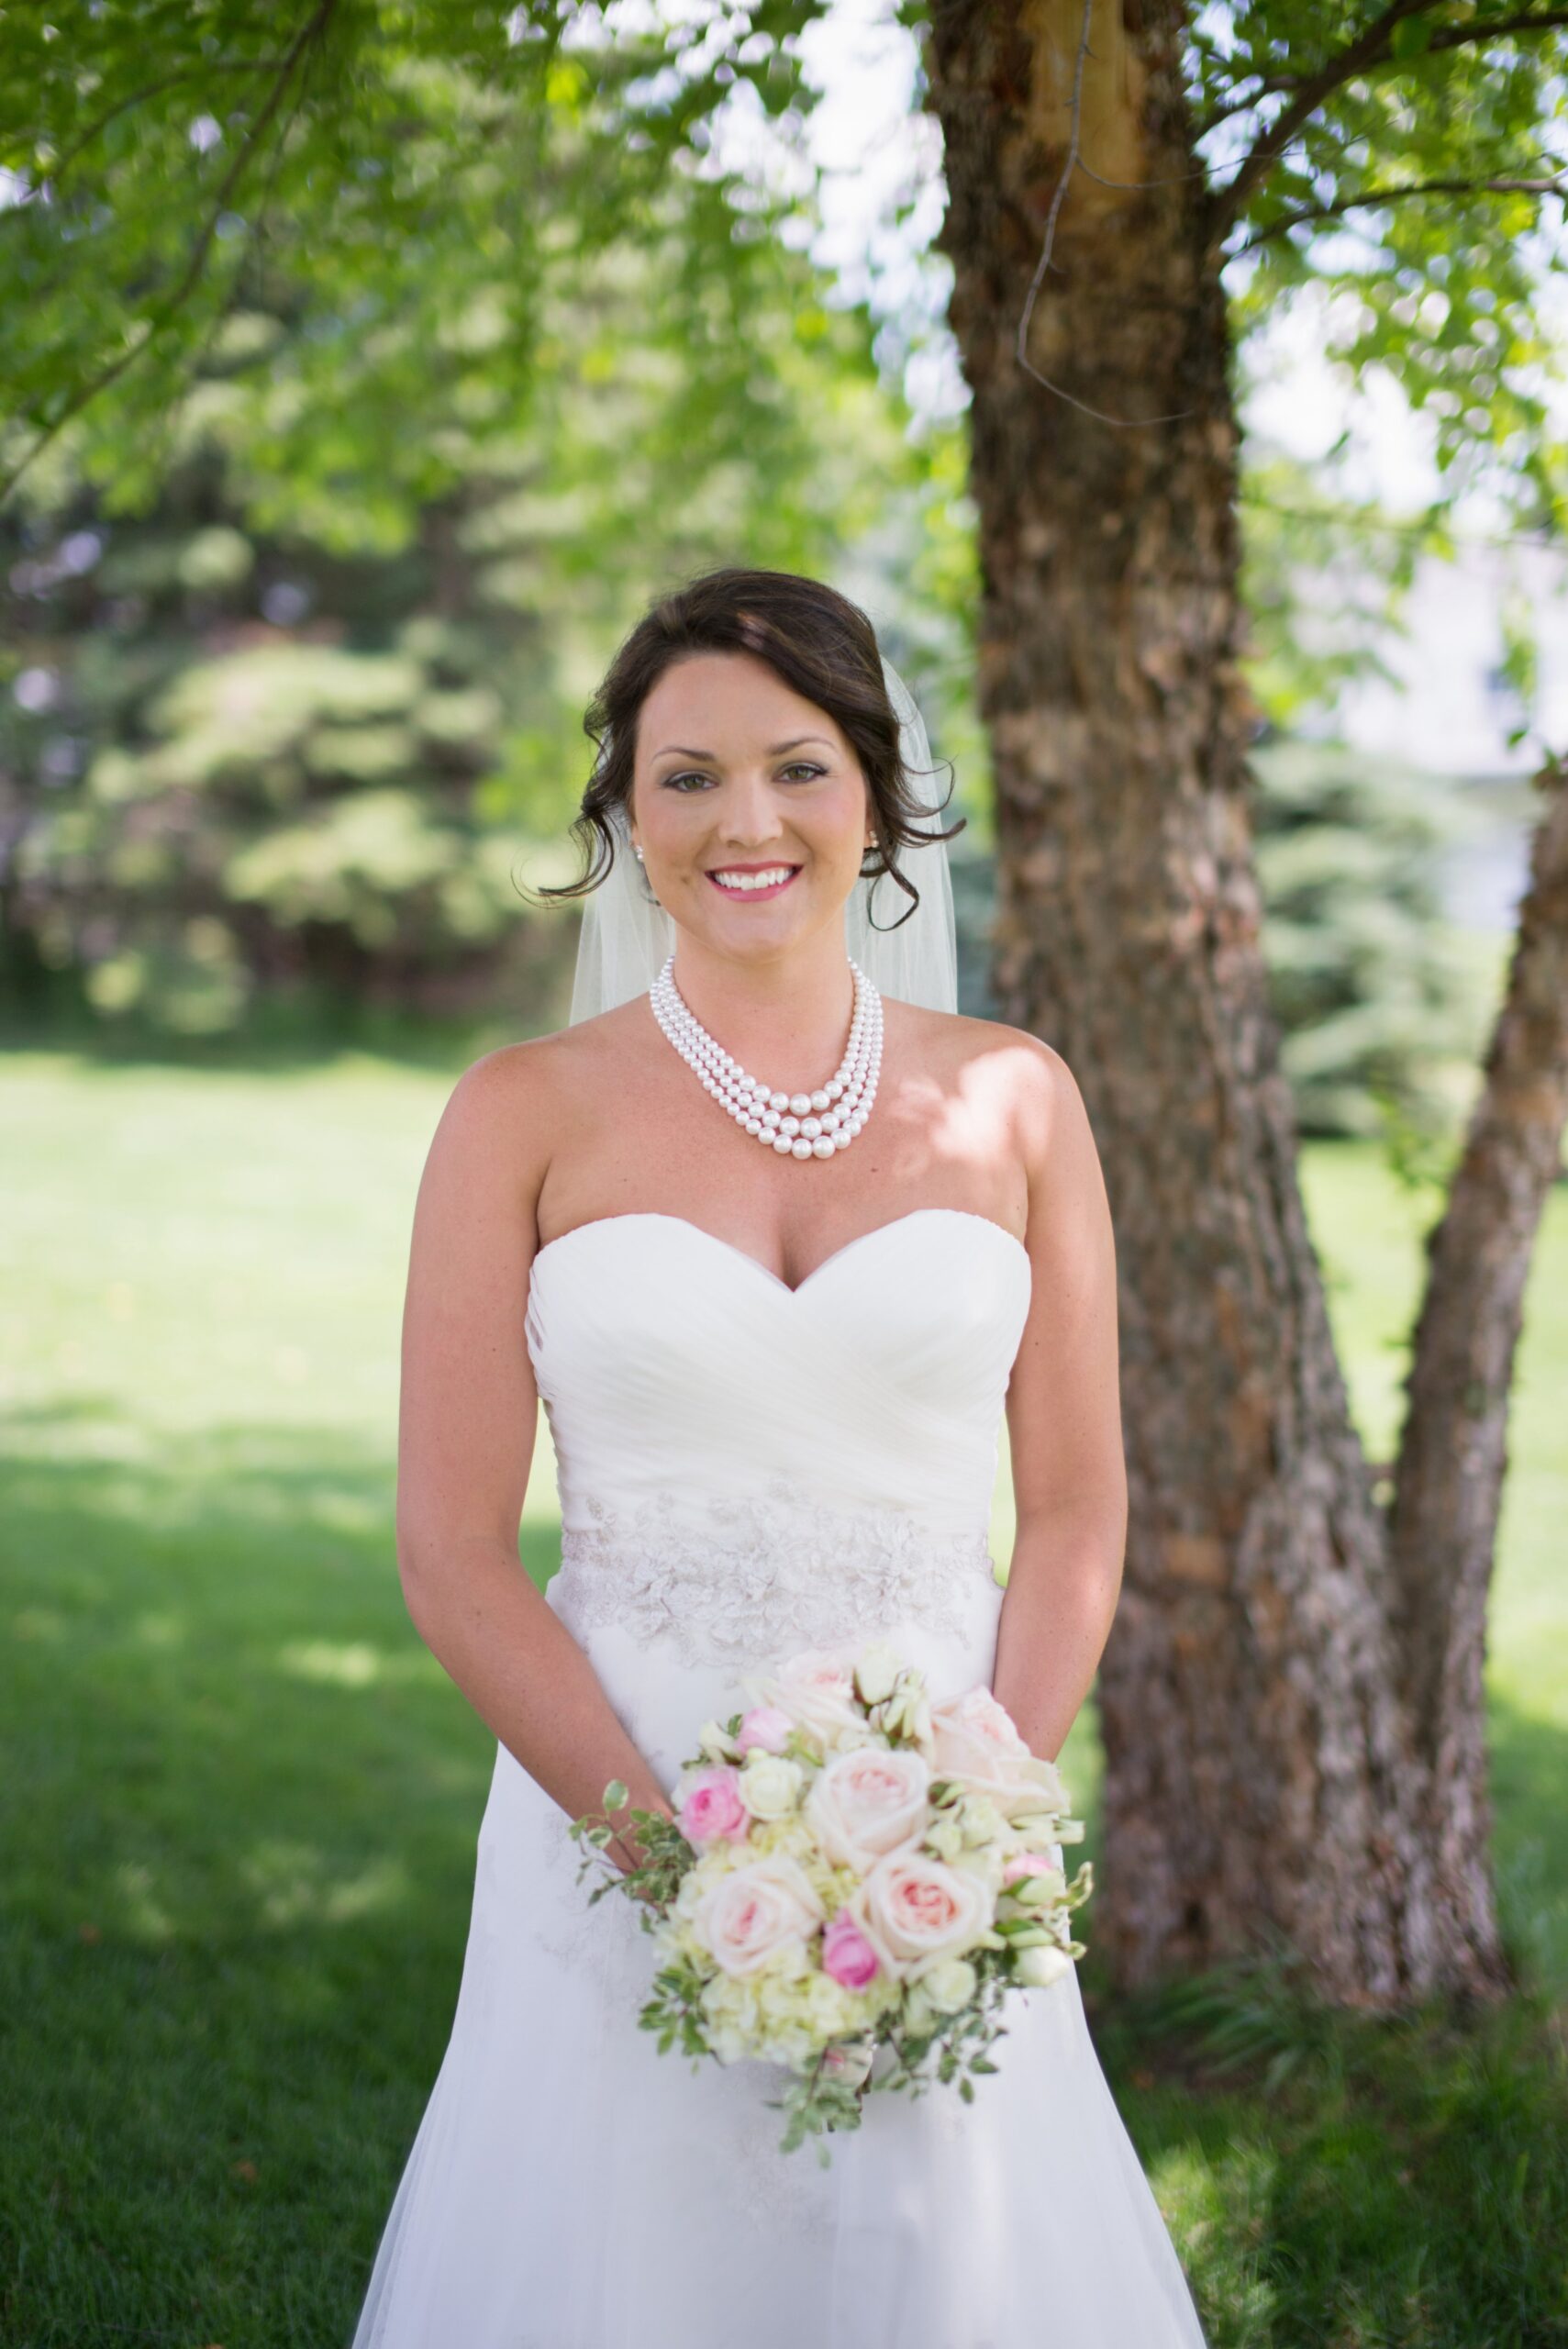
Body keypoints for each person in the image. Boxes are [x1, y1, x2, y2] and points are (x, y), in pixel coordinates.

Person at [348, 567, 1211, 2346]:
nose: (746, 820)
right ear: (624, 813)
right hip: (619, 1796)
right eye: (686, 775)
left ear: (878, 795)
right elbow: (452, 1551)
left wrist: (972, 1824)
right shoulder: (522, 1110)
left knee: (938, 2257)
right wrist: (679, 1868)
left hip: (933, 1800)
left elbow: (1072, 1509)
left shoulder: (1018, 1098)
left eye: (798, 766)